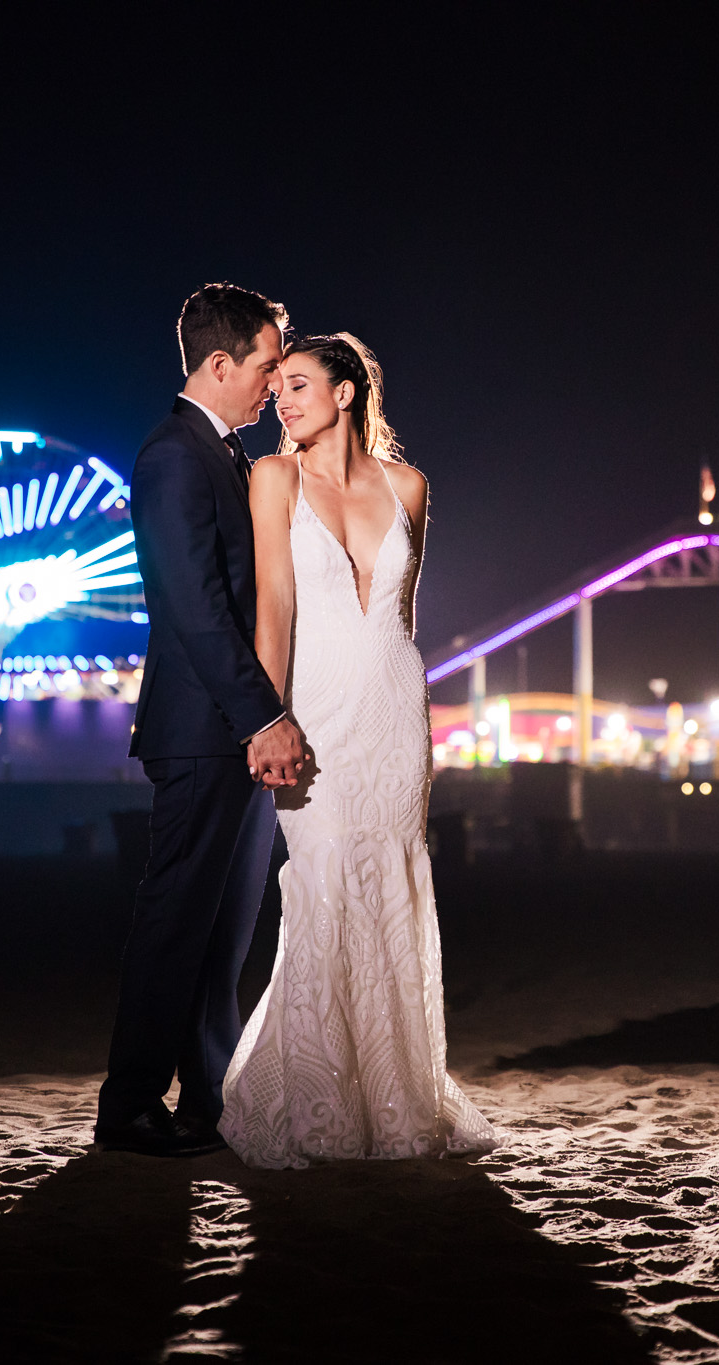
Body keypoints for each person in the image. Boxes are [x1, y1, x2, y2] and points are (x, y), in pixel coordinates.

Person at [218, 332, 499, 1168]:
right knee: (321, 884)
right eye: (278, 390)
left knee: (391, 888)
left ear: (346, 393)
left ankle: (398, 1097)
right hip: (314, 711)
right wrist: (266, 720)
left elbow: (402, 621)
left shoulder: (409, 486)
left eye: (299, 385)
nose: (283, 400)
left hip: (392, 711)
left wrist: (410, 714)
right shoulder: (273, 479)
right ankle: (317, 1101)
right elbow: (274, 610)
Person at [95, 283, 309, 1158]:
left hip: (236, 732)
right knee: (176, 921)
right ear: (220, 365)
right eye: (265, 366)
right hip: (202, 731)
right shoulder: (174, 455)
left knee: (224, 936)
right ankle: (131, 1105)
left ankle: (208, 1103)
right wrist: (264, 716)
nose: (273, 383)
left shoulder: (221, 453)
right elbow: (194, 604)